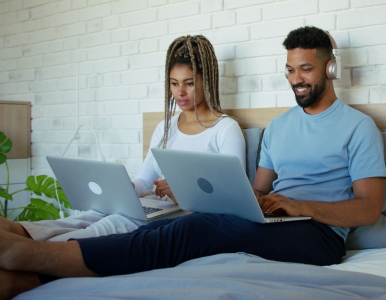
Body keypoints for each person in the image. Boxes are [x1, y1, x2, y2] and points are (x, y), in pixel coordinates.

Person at [0, 26, 386, 298]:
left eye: (306, 69)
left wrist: (300, 207)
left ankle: (33, 254)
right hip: (274, 221)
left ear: (329, 68)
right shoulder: (279, 127)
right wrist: (242, 200)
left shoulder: (359, 127)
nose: (296, 79)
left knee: (195, 229)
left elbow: (368, 209)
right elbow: (257, 190)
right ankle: (27, 280)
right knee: (163, 228)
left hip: (318, 236)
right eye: (289, 69)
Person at [0, 35, 245, 242]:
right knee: (87, 217)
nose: (180, 92)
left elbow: (236, 200)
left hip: (186, 217)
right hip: (157, 208)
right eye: (174, 83)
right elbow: (145, 181)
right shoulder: (165, 127)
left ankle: (34, 252)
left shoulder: (225, 129)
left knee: (109, 224)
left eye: (189, 83)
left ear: (207, 81)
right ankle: (16, 232)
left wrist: (184, 194)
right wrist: (125, 189)